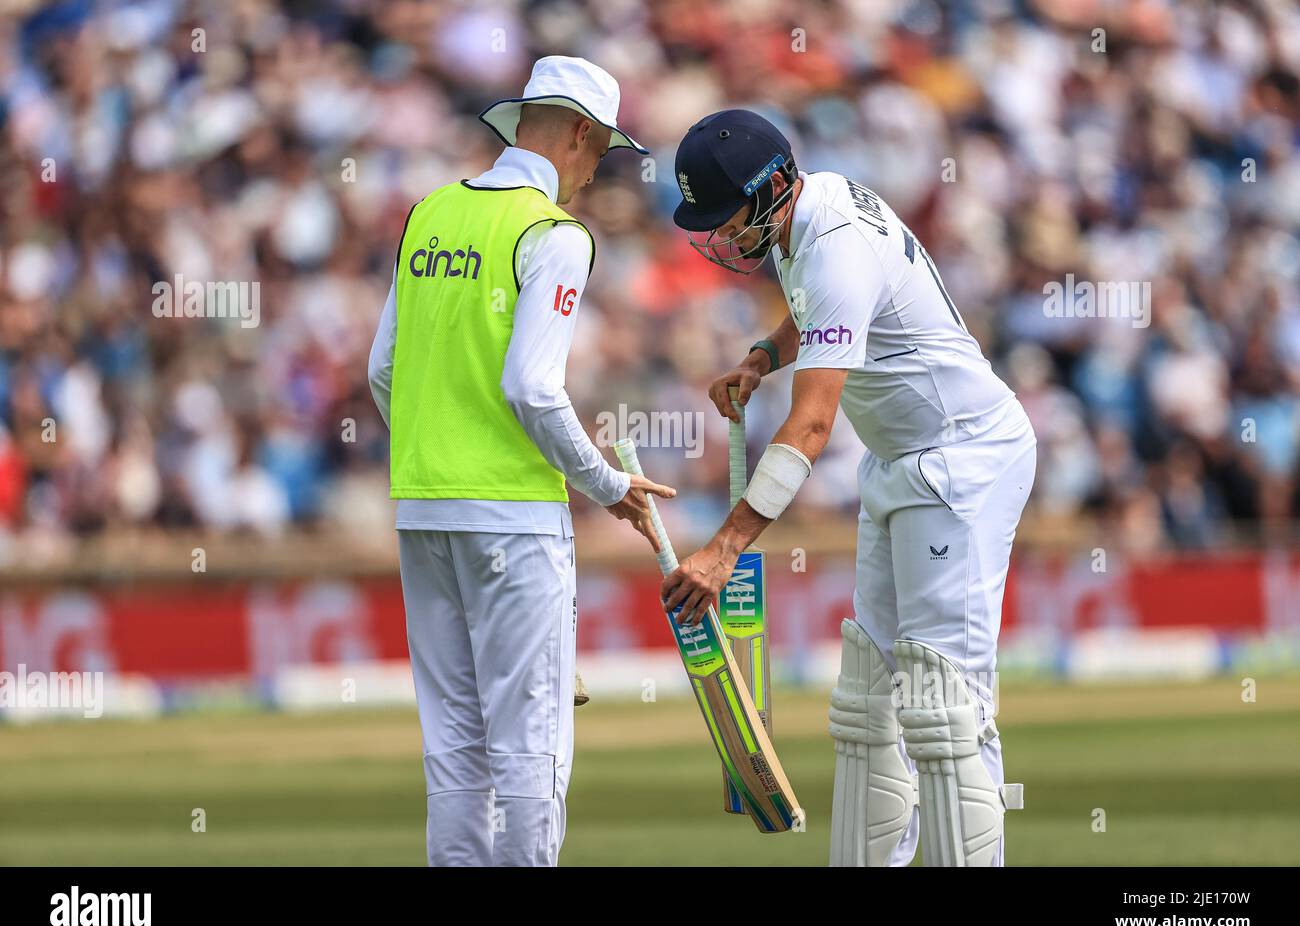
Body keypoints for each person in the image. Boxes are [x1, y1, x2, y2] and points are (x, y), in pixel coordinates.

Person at [663, 109, 1036, 867]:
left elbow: (809, 428)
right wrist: (767, 353)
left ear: (769, 192)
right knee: (870, 704)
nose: (719, 236)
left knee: (944, 709)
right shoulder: (814, 205)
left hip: (963, 460)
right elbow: (825, 312)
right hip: (902, 461)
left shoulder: (832, 246)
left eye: (724, 216)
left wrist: (724, 548)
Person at [367, 56, 674, 867]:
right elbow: (534, 389)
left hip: (424, 508)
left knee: (456, 747)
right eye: (601, 150)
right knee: (532, 747)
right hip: (513, 519)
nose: (596, 168)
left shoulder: (429, 212)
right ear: (580, 133)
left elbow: (382, 371)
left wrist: (439, 445)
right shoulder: (554, 233)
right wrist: (609, 486)